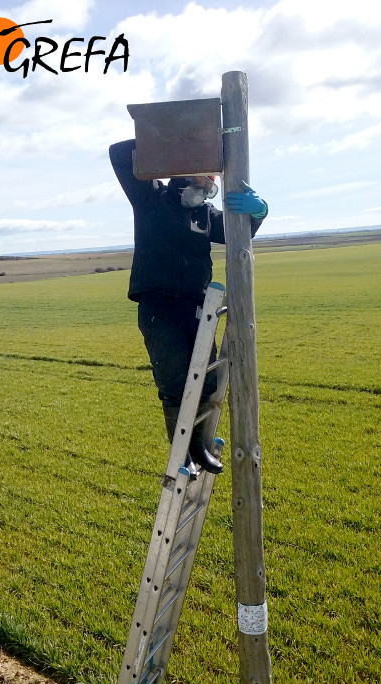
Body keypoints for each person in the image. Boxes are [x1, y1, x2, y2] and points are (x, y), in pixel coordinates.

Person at [109, 138, 268, 475]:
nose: (210, 186)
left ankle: (197, 447)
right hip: (158, 306)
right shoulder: (150, 197)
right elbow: (118, 154)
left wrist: (259, 213)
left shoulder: (205, 215)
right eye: (205, 177)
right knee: (174, 382)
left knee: (205, 380)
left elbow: (240, 232)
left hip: (197, 307)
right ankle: (182, 456)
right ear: (187, 174)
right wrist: (171, 140)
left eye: (212, 181)